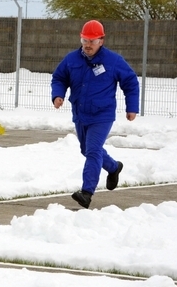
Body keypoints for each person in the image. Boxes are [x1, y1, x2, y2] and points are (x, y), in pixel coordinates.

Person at [51, 20, 139, 209]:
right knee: (87, 150)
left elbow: (130, 83)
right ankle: (114, 167)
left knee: (92, 150)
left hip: (102, 115)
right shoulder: (71, 59)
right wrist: (58, 95)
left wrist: (132, 107)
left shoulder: (114, 61)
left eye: (92, 40)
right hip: (80, 114)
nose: (88, 44)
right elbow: (59, 78)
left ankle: (87, 193)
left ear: (101, 40)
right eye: (85, 40)